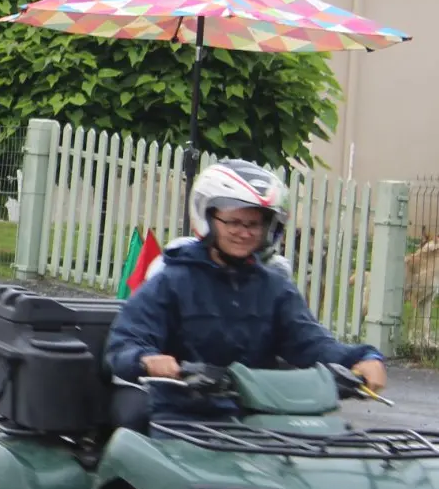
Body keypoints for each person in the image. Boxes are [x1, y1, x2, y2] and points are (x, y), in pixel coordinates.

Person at [104, 160, 388, 430]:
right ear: (208, 219)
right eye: (234, 222)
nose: (244, 233)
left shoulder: (274, 288)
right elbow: (124, 345)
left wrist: (363, 358)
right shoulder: (171, 281)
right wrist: (148, 359)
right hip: (184, 420)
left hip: (261, 420)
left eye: (253, 224)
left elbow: (311, 343)